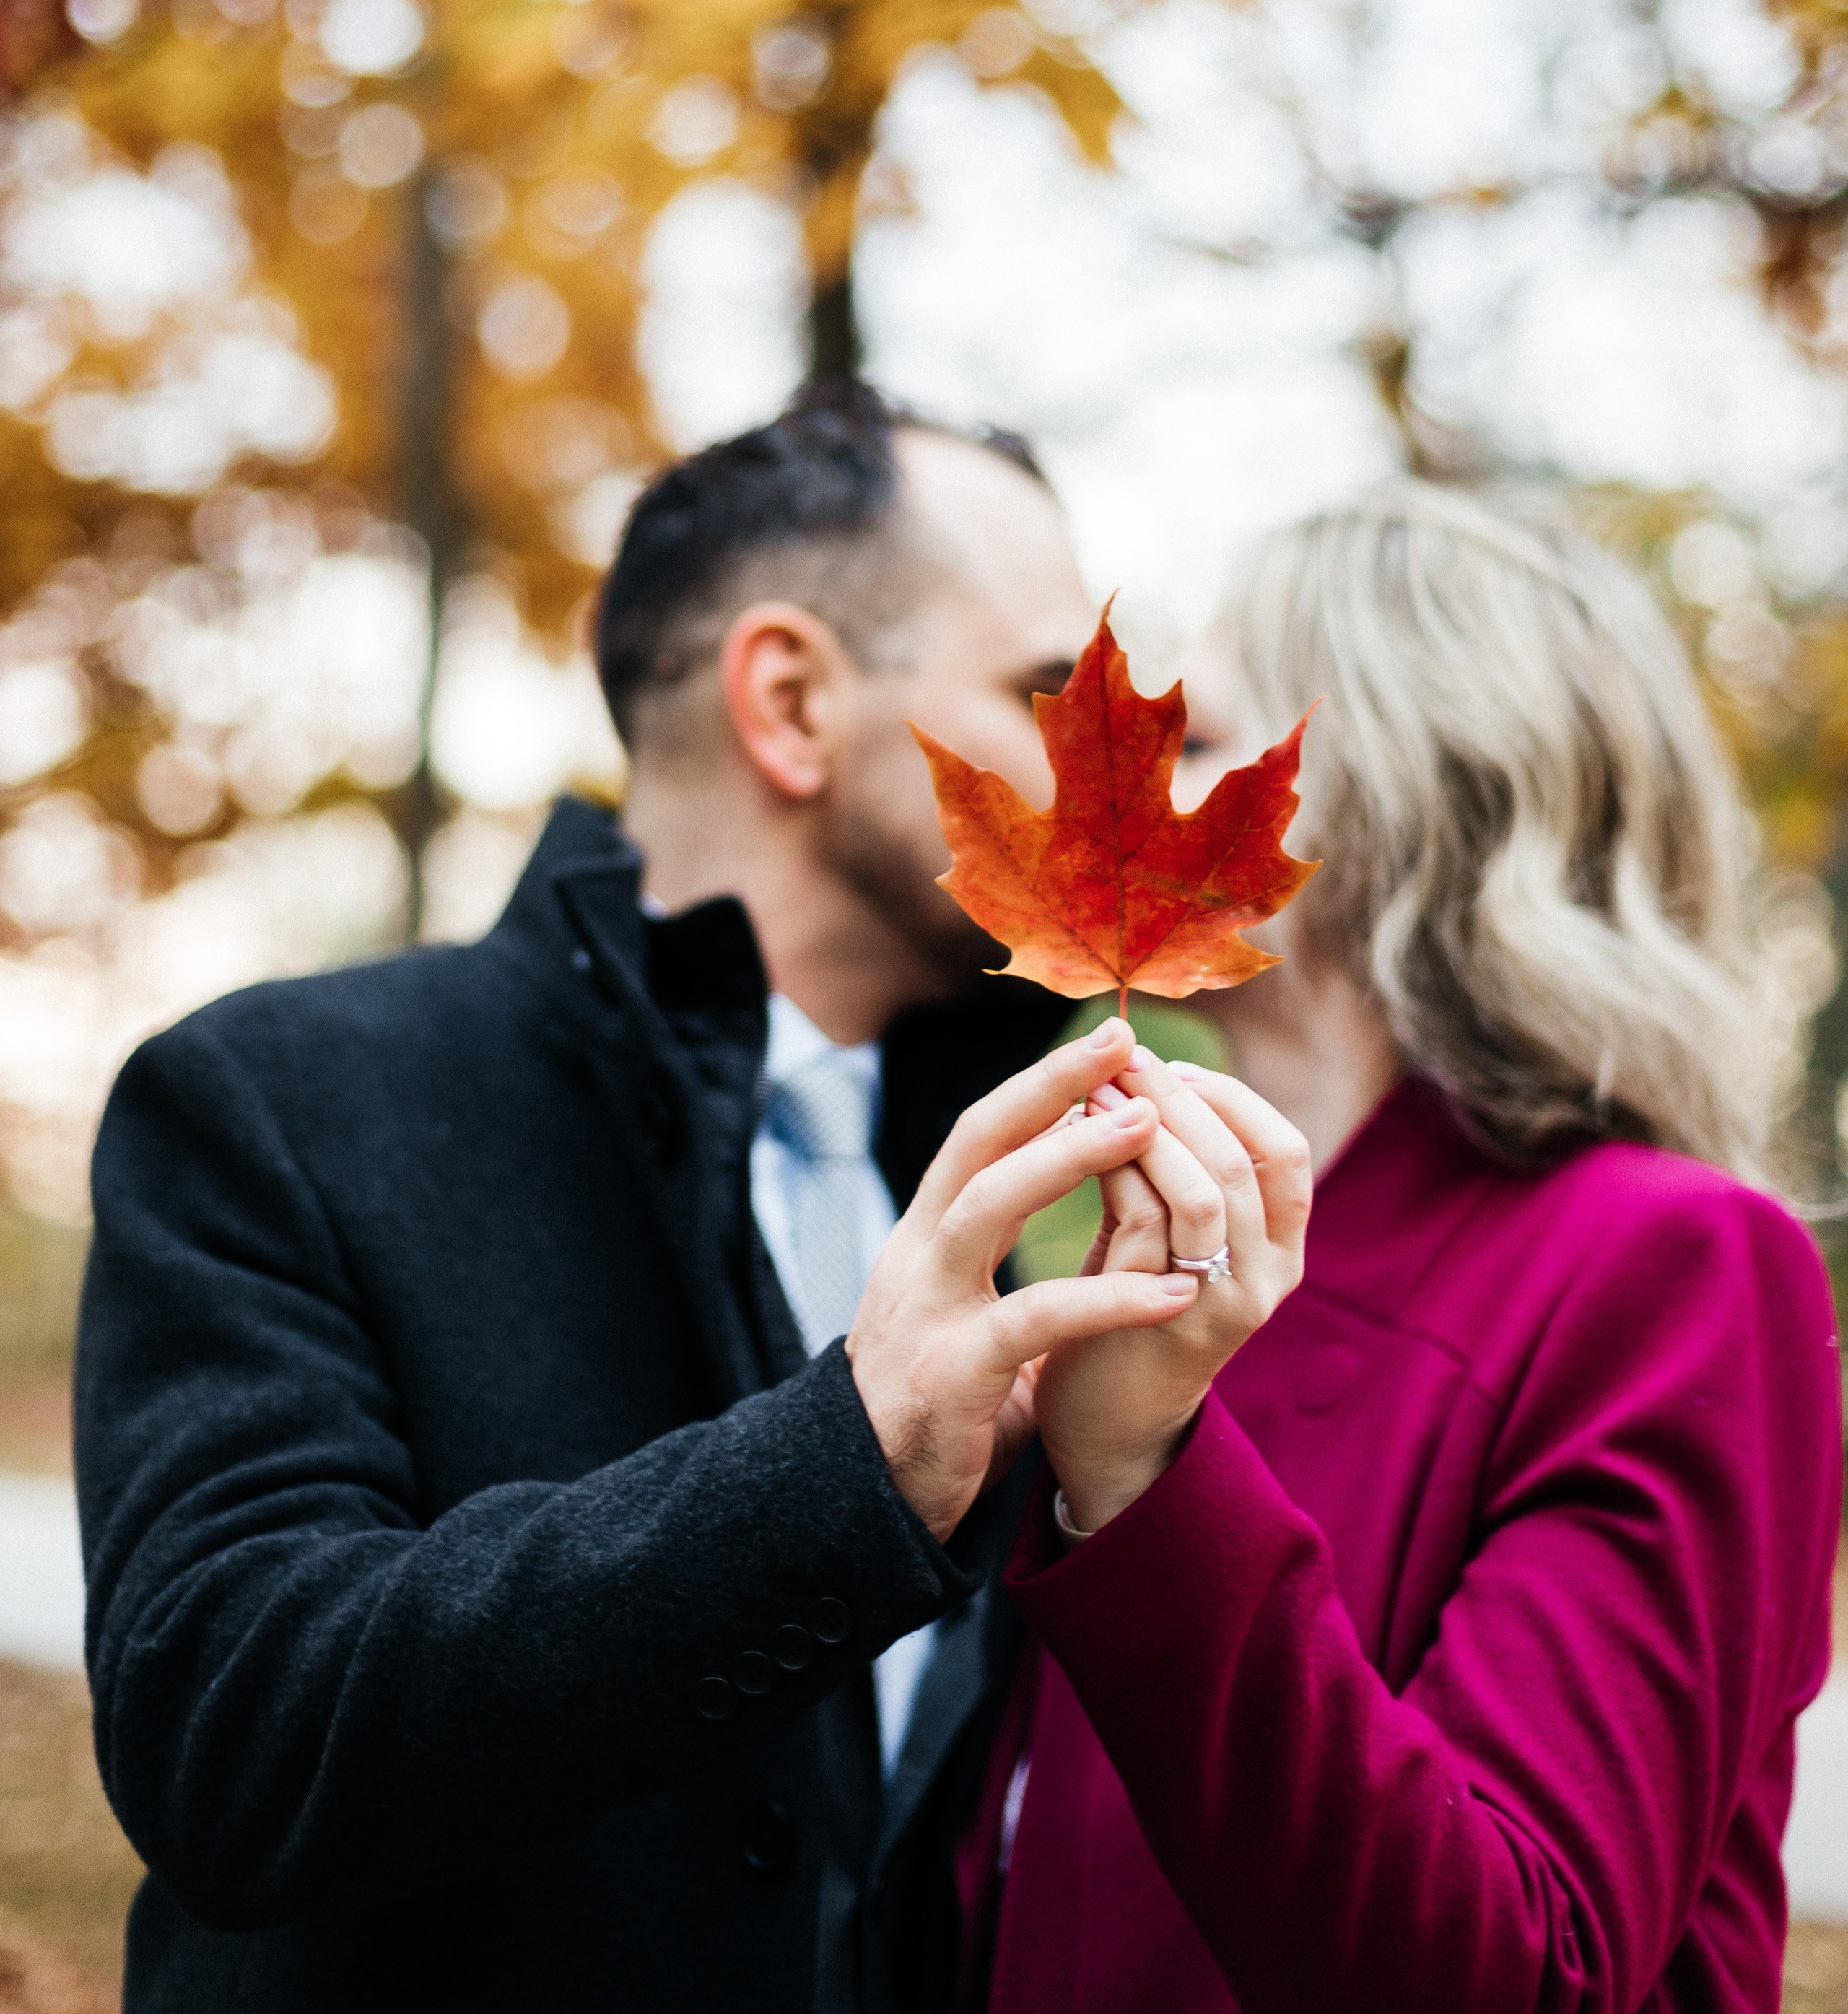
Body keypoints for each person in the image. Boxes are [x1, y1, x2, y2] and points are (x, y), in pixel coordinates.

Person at [74, 380, 1199, 2014]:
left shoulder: (1002, 1169)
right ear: (792, 701)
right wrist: (847, 1461)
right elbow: (233, 1743)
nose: (1101, 775)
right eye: (1038, 690)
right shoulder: (279, 1099)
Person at [959, 483, 1843, 2014]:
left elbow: (1517, 1968)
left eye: (1217, 738)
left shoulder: (1673, 1267)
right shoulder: (1138, 1273)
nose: (1142, 798)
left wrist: (1141, 1487)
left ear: (1408, 783)